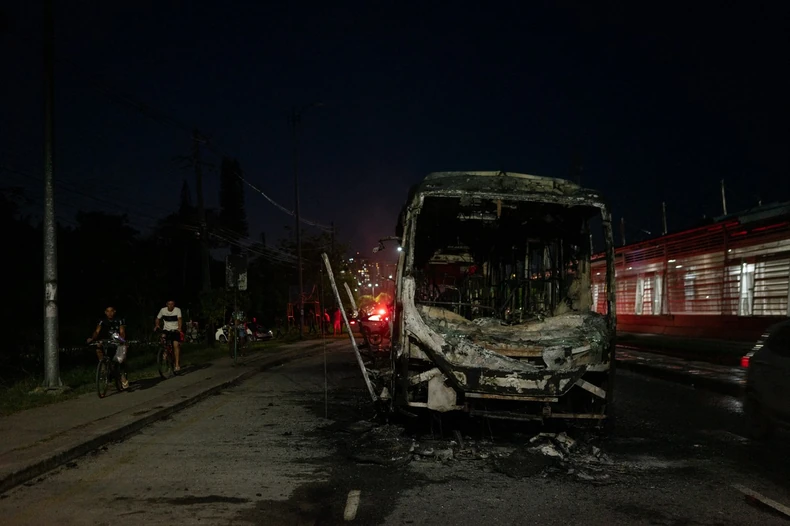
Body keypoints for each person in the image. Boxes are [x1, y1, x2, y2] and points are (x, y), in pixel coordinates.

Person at [87, 306, 129, 389]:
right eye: (108, 311)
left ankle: (122, 376)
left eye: (111, 311)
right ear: (105, 312)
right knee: (98, 347)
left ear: (114, 311)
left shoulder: (119, 320)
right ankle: (103, 365)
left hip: (117, 340)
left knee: (120, 359)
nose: (110, 313)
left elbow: (122, 332)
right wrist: (92, 338)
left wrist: (121, 339)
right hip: (105, 340)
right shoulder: (102, 321)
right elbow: (97, 331)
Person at [155, 300, 183, 371]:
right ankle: (164, 352)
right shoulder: (163, 310)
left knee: (175, 345)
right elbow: (158, 318)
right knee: (162, 337)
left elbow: (179, 319)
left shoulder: (177, 310)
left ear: (174, 304)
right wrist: (157, 325)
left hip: (175, 329)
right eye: (169, 304)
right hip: (166, 329)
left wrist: (179, 328)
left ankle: (177, 364)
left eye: (172, 304)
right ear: (167, 304)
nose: (171, 306)